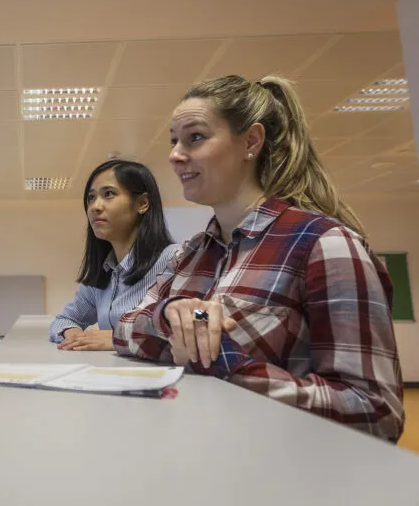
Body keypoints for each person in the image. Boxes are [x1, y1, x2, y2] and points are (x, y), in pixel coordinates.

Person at [113, 75, 404, 441]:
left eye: (195, 137)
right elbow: (124, 327)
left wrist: (228, 366)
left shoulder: (325, 245)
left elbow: (375, 411)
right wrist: (169, 317)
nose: (174, 154)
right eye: (174, 140)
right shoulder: (191, 253)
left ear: (251, 141)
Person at [50, 159, 178, 351]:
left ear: (142, 203)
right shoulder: (105, 271)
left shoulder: (174, 260)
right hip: (111, 376)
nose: (95, 206)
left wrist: (117, 339)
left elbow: (184, 334)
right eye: (91, 198)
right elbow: (65, 320)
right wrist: (75, 337)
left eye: (108, 194)